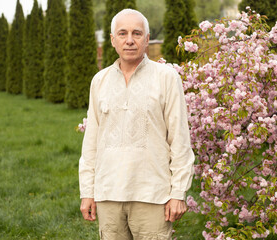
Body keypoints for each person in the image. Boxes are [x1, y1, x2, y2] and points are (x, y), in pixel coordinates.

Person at [79, 8, 195, 240]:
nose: (130, 40)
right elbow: (91, 141)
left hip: (152, 194)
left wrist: (178, 192)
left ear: (147, 39)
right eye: (122, 33)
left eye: (137, 33)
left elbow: (180, 138)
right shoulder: (99, 81)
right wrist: (87, 191)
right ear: (112, 40)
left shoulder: (166, 77)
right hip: (108, 193)